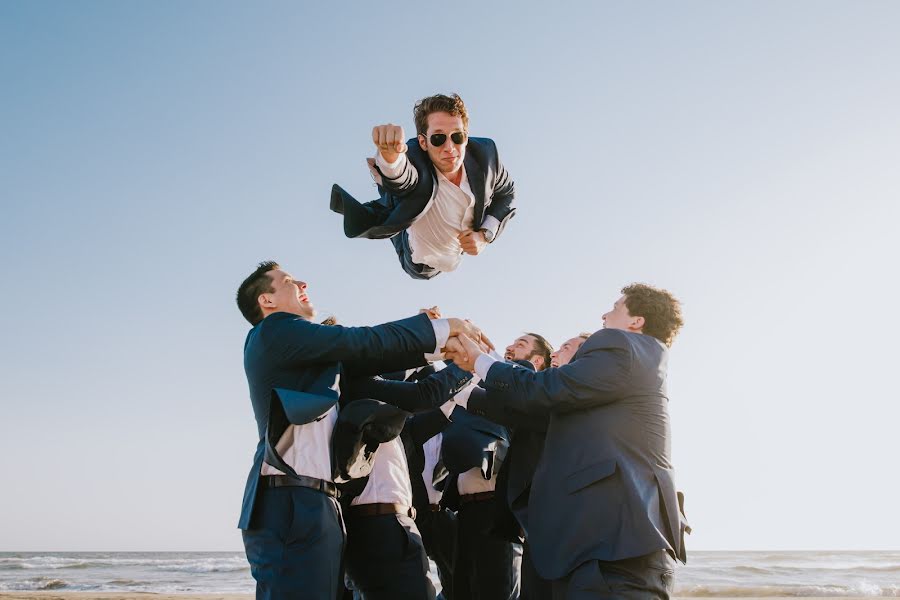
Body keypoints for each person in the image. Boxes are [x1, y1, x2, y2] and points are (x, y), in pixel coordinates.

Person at [234, 261, 489, 600]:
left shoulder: (318, 362)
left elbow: (377, 357)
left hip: (320, 500)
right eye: (290, 281)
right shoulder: (275, 331)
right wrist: (444, 329)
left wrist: (442, 343)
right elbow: (362, 342)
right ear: (267, 301)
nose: (303, 282)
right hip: (288, 497)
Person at [453, 284, 690, 599]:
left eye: (615, 307)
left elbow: (545, 390)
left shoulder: (619, 344)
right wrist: (479, 362)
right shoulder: (624, 370)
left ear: (636, 321)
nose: (605, 314)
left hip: (613, 550)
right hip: (587, 550)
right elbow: (534, 403)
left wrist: (481, 362)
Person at [330, 93, 516, 279]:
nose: (450, 148)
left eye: (457, 137)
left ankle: (386, 189)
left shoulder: (487, 157)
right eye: (438, 139)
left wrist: (484, 235)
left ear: (466, 137)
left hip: (453, 254)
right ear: (423, 142)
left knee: (398, 198)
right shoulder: (415, 158)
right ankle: (385, 185)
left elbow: (506, 194)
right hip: (419, 259)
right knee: (399, 198)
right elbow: (405, 177)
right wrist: (391, 158)